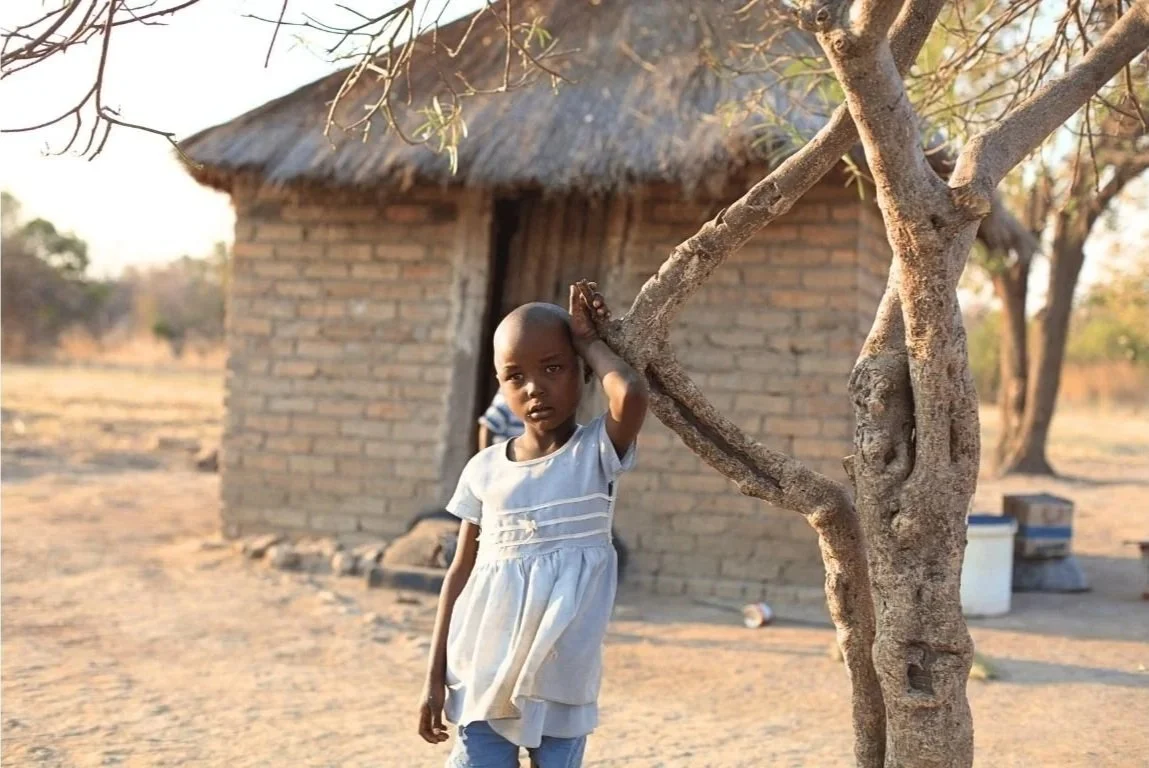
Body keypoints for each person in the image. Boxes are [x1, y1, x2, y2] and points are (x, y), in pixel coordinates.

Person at [418, 280, 649, 768]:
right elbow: (459, 574)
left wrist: (588, 342)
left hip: (562, 677)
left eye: (553, 368)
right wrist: (433, 676)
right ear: (501, 387)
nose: (534, 388)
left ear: (582, 373)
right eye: (515, 376)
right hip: (482, 673)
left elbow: (629, 391)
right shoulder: (484, 469)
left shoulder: (593, 454)